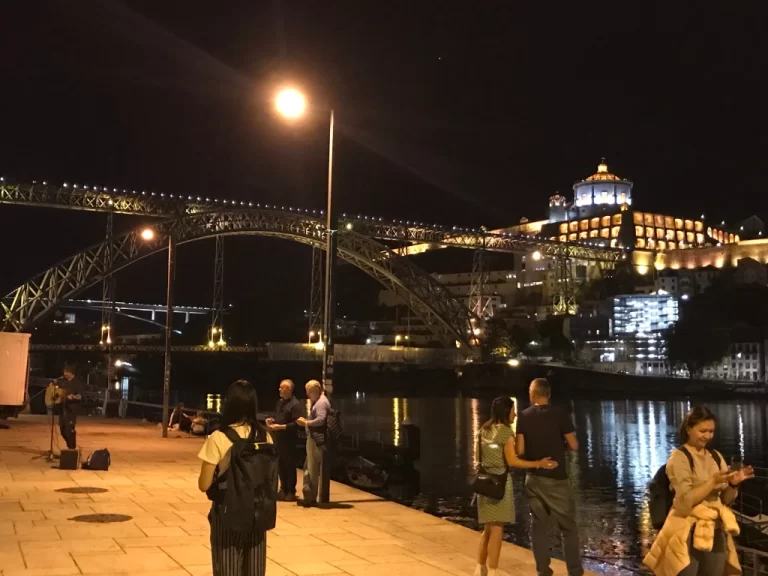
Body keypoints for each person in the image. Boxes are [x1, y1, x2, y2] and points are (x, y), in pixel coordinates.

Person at [644, 406, 755, 576]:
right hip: (686, 530)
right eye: (703, 431)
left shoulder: (716, 456)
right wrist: (712, 481)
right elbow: (685, 501)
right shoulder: (679, 457)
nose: (708, 436)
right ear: (689, 429)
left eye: (711, 431)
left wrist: (733, 484)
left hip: (715, 529)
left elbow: (726, 500)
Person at [474, 396, 559, 576]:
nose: (515, 414)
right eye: (513, 411)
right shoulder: (505, 432)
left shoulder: (483, 430)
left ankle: (479, 567)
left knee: (487, 528)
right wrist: (538, 463)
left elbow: (477, 458)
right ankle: (494, 571)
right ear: (506, 412)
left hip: (484, 484)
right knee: (497, 529)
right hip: (500, 484)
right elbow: (513, 460)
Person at [197, 380, 269, 576]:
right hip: (257, 514)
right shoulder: (264, 437)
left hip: (228, 515)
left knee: (227, 570)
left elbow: (203, 485)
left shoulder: (219, 438)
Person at [516, 378, 583, 576]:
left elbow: (520, 450)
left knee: (539, 527)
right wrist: (559, 446)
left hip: (534, 478)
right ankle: (575, 571)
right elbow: (574, 444)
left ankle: (543, 570)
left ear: (533, 394)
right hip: (556, 479)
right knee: (568, 528)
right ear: (548, 394)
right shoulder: (560, 414)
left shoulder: (524, 415)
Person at [265, 379, 303, 502]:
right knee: (280, 464)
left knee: (289, 465)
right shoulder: (280, 403)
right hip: (279, 439)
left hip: (289, 440)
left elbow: (296, 424)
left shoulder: (295, 404)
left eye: (282, 388)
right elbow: (278, 417)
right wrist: (271, 421)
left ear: (289, 389)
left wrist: (280, 427)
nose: (279, 390)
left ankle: (291, 491)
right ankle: (283, 488)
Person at [295, 379, 330, 507]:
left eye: (309, 392)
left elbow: (321, 419)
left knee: (312, 468)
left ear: (315, 390)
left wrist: (306, 423)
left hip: (315, 440)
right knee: (308, 467)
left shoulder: (320, 403)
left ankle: (311, 497)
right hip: (314, 439)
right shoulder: (321, 401)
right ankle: (309, 494)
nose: (307, 395)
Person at [57, 363, 83, 450]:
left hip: (71, 410)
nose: (64, 374)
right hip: (62, 409)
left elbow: (80, 396)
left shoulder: (77, 383)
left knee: (69, 431)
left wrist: (73, 396)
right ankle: (69, 446)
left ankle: (72, 448)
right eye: (64, 372)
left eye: (66, 372)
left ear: (71, 373)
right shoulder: (64, 382)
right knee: (62, 430)